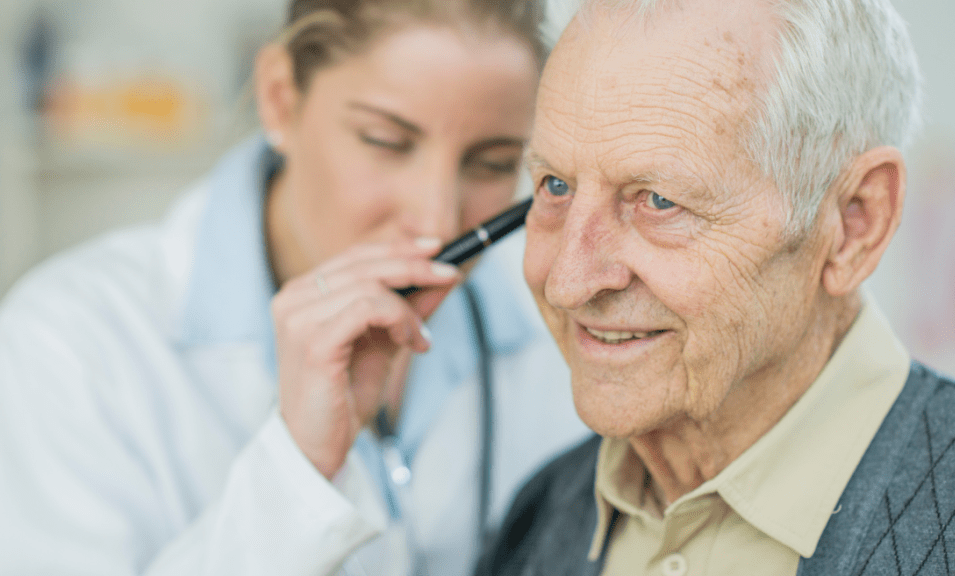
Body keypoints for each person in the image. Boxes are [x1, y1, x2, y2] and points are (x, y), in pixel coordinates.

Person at [0, 1, 589, 574]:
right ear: (280, 99)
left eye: (490, 164)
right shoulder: (69, 342)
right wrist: (296, 469)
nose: (436, 220)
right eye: (386, 142)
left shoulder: (555, 330)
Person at [477, 0, 955, 575]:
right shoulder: (536, 519)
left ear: (853, 224)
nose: (566, 281)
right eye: (555, 186)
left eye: (659, 201)